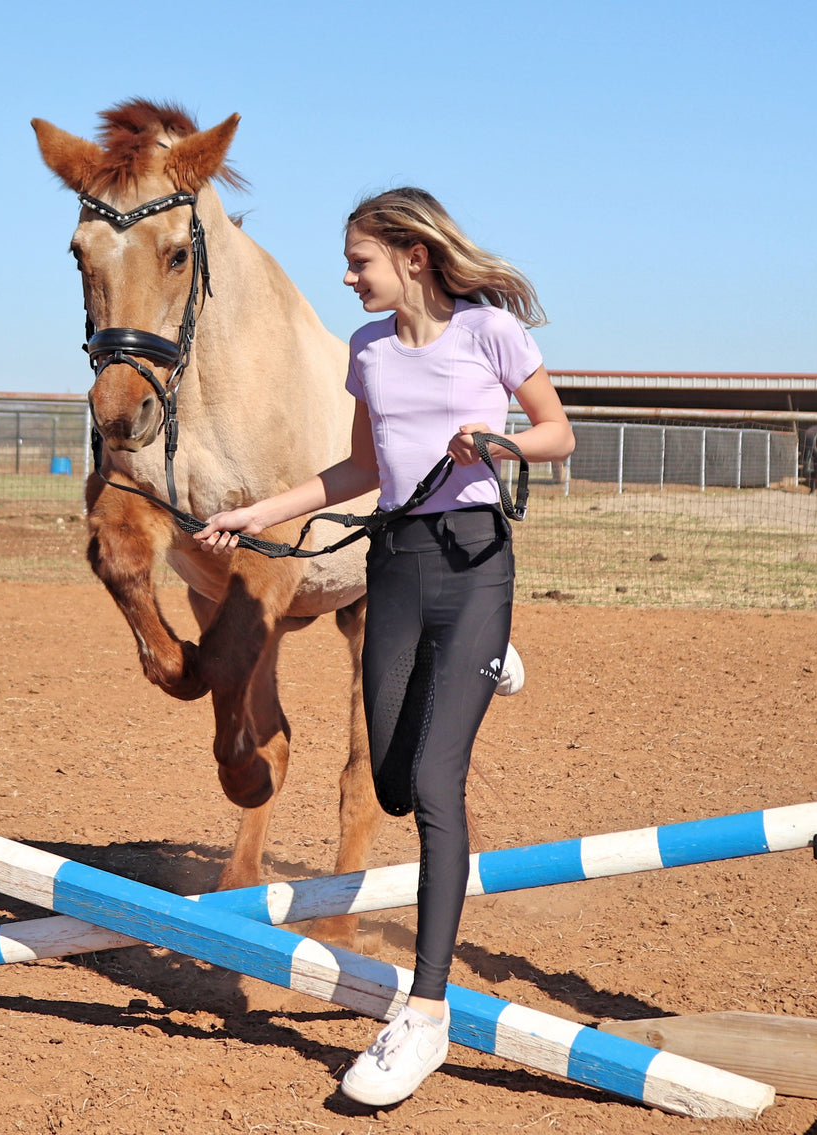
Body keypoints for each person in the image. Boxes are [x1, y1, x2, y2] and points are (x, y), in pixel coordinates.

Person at [195, 188, 574, 1106]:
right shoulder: (366, 352)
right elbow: (359, 469)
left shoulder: (488, 333)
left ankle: (425, 1012)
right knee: (395, 784)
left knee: (436, 788)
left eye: (357, 259)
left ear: (410, 255)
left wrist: (501, 442)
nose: (346, 273)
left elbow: (560, 435)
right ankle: (482, 663)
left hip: (475, 562)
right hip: (394, 559)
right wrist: (254, 513)